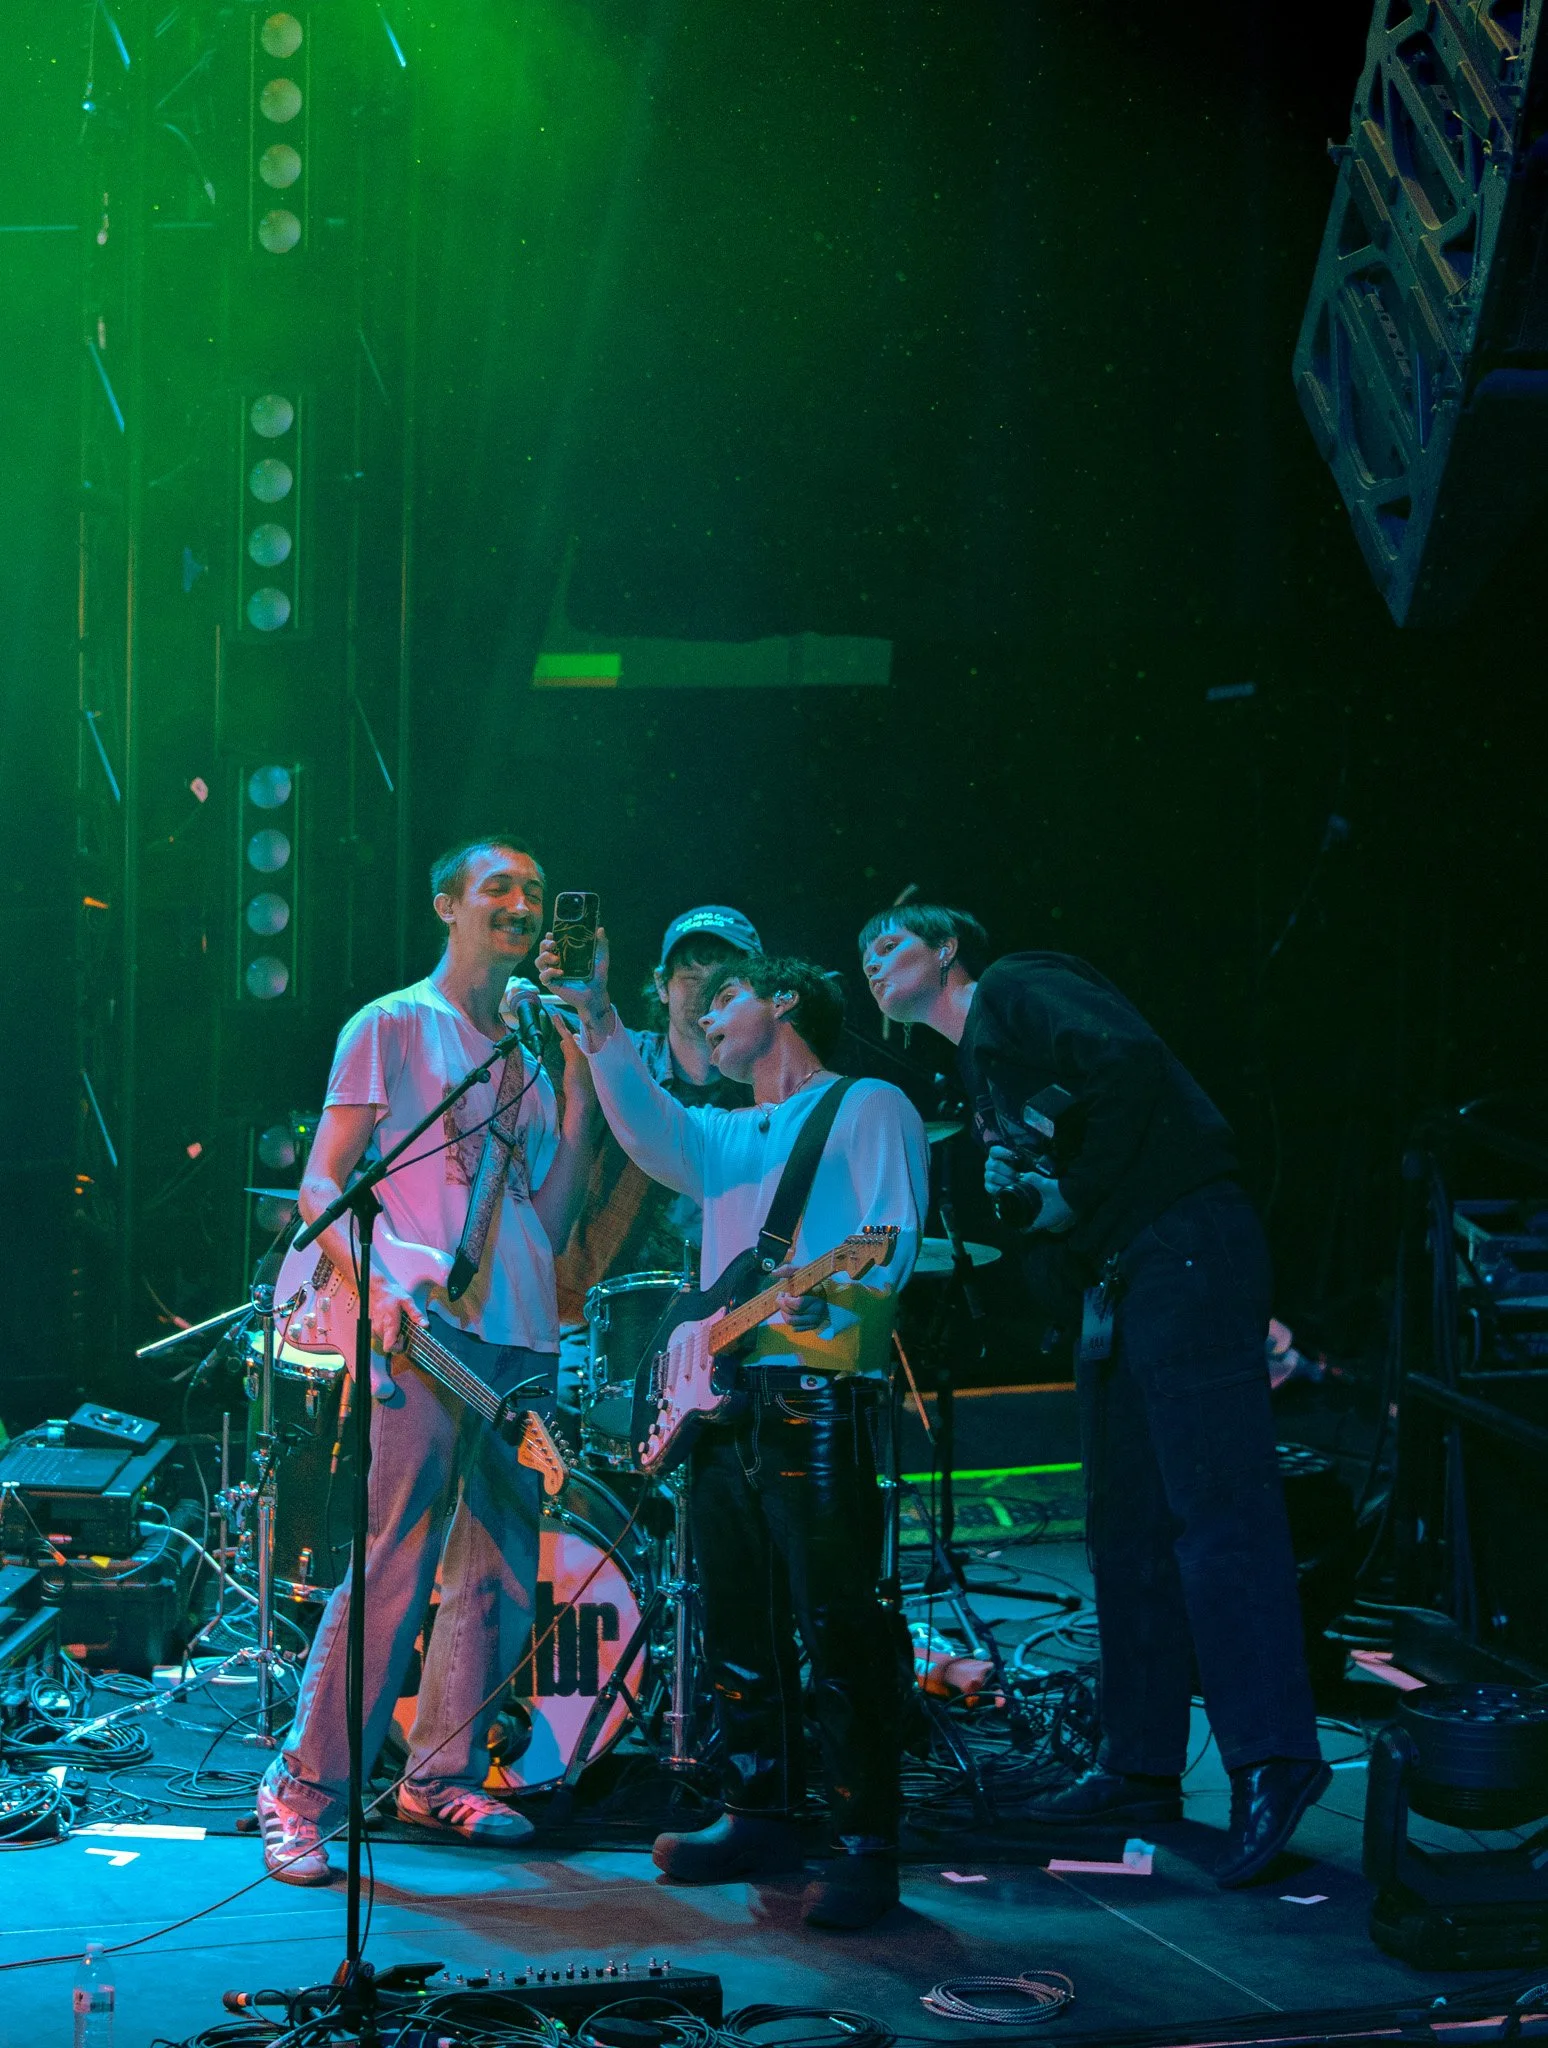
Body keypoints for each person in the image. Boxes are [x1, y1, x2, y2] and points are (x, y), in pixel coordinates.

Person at [859, 904, 1329, 1889]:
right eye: (862, 955)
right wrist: (1031, 1185)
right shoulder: (980, 1068)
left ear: (949, 949)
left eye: (892, 940)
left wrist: (1068, 1188)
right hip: (1122, 1275)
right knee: (1126, 1527)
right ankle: (1137, 1764)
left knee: (1217, 1513)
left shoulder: (1017, 985)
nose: (872, 959)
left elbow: (1129, 1061)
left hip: (1180, 1242)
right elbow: (1060, 1182)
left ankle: (1275, 1758)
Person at [538, 928, 928, 1930]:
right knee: (737, 1622)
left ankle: (863, 1843)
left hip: (817, 1396)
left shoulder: (868, 1105)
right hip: (723, 1402)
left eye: (726, 999)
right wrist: (595, 1019)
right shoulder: (722, 1132)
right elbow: (643, 1124)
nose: (706, 1017)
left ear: (784, 999)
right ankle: (759, 1810)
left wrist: (835, 1301)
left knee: (836, 1624)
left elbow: (889, 1241)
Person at [255, 837, 596, 1885]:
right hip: (422, 1323)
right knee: (394, 1557)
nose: (524, 902)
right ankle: (302, 1792)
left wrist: (583, 1075)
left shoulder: (532, 1051)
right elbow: (322, 1183)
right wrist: (372, 1289)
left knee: (499, 1563)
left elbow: (550, 1215)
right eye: (501, 886)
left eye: (535, 890)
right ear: (447, 904)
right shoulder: (393, 1023)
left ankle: (440, 1775)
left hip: (521, 1328)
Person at [548, 907, 759, 1407]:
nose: (708, 989)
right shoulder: (617, 1058)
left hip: (729, 1328)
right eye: (692, 974)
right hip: (597, 1321)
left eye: (727, 979)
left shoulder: (768, 1090)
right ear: (662, 986)